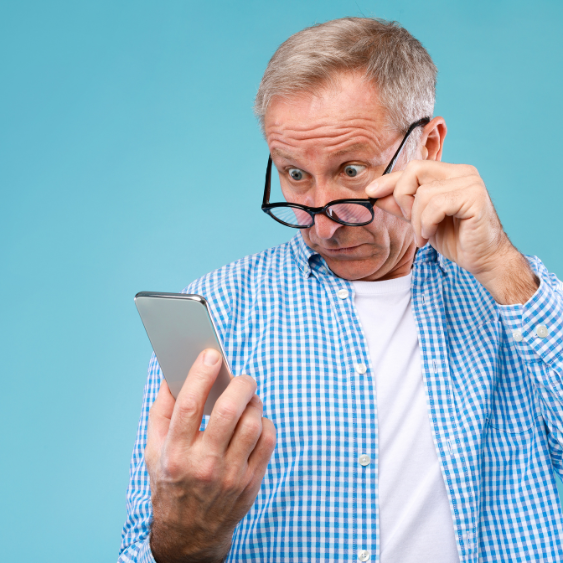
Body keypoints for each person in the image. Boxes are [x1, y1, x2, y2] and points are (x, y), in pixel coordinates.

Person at [118, 17, 563, 563]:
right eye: (295, 175)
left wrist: (501, 267)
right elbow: (139, 549)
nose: (323, 226)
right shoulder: (221, 311)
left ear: (428, 145)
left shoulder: (518, 299)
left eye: (351, 170)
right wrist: (187, 535)